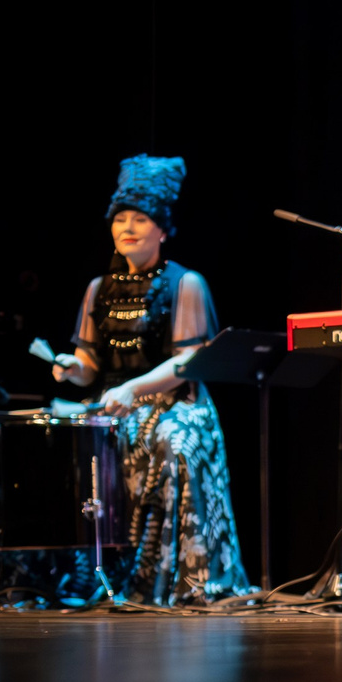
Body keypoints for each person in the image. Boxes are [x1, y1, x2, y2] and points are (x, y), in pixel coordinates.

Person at [48, 153, 251, 603]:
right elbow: (88, 369)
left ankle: (185, 582)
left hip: (177, 405)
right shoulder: (97, 290)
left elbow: (189, 361)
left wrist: (134, 390)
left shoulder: (185, 283)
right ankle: (91, 574)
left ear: (162, 229)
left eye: (140, 219)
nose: (128, 227)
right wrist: (69, 367)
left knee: (172, 440)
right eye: (120, 218)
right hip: (115, 406)